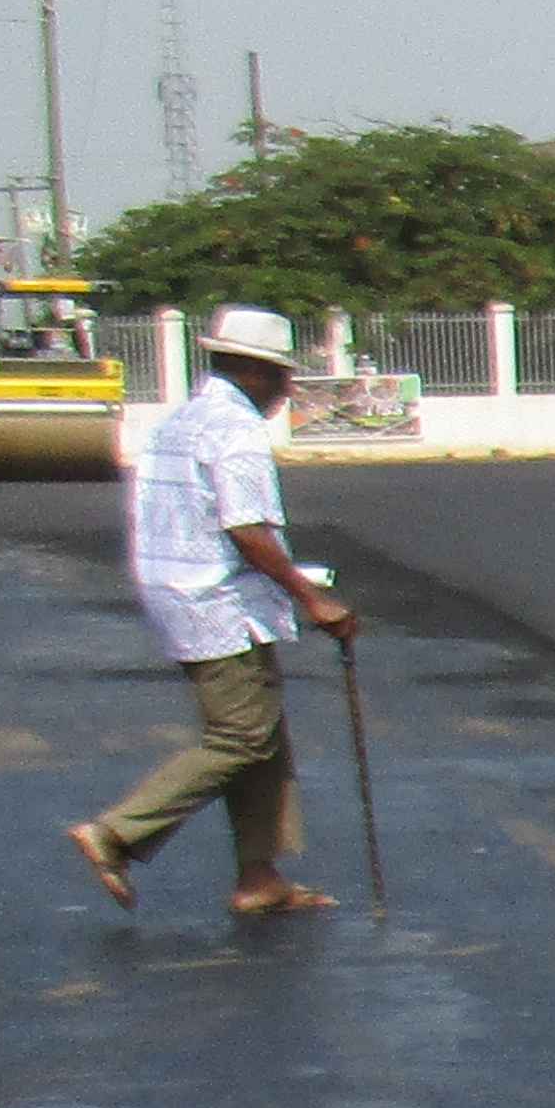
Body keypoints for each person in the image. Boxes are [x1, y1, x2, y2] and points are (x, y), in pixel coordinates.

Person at [65, 307, 352, 917]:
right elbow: (247, 529)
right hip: (219, 602)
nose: (284, 391)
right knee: (242, 736)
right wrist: (313, 598)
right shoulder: (235, 430)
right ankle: (116, 832)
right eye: (278, 377)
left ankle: (259, 875)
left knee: (264, 737)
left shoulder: (181, 422)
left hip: (179, 592)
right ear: (251, 371)